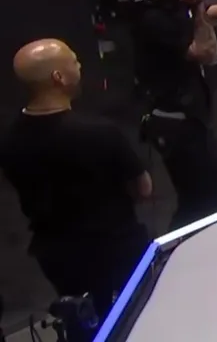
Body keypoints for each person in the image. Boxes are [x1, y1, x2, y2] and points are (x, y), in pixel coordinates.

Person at [0, 39, 153, 325]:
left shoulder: (9, 141)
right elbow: (143, 188)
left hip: (57, 256)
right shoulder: (100, 133)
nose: (80, 65)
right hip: (115, 249)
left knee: (85, 322)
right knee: (137, 318)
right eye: (73, 61)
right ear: (58, 77)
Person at [131, 0, 217, 229]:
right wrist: (197, 8)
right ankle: (177, 246)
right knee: (207, 198)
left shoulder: (174, 11)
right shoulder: (154, 20)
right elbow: (208, 53)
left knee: (210, 193)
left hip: (188, 119)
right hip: (175, 124)